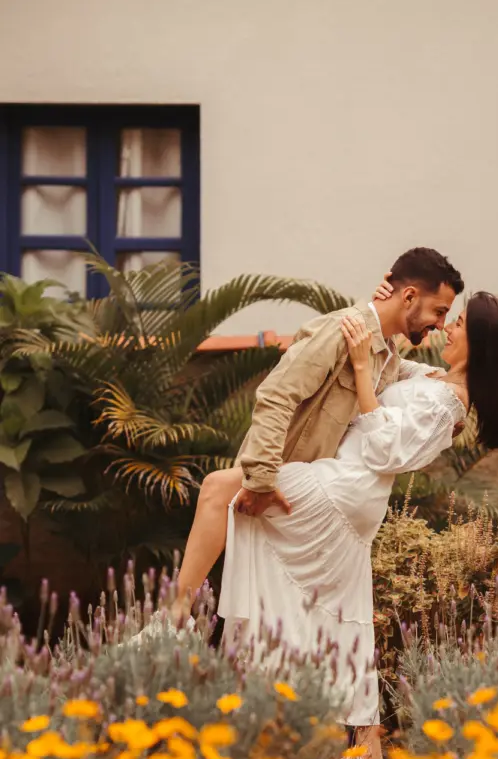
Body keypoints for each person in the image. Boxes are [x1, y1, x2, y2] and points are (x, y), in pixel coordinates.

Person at [213, 290, 498, 759]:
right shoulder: (434, 378)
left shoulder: (451, 402)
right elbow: (391, 365)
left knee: (226, 493)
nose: (447, 327)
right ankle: (363, 756)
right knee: (340, 616)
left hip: (343, 488)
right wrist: (385, 312)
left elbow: (386, 450)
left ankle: (176, 616)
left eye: (458, 322)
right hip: (347, 493)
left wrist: (362, 370)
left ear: (480, 341)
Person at [172, 247, 465, 621]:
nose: (441, 324)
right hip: (291, 484)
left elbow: (439, 391)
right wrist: (260, 479)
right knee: (218, 494)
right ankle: (173, 621)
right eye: (439, 312)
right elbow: (276, 396)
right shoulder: (339, 331)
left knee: (293, 617)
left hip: (320, 497)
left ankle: (175, 624)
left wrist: (462, 402)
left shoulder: (387, 354)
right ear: (409, 296)